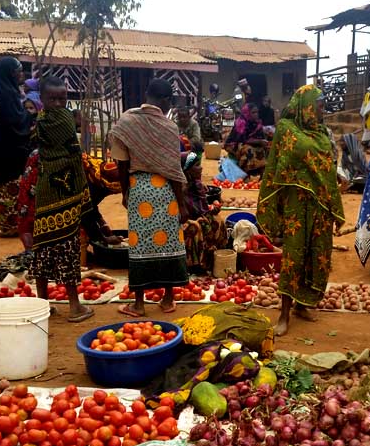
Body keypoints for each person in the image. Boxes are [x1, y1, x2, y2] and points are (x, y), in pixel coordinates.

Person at [257, 85, 345, 337]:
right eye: (319, 103)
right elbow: (278, 163)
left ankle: (302, 305)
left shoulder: (322, 133)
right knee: (293, 256)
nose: (322, 108)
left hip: (320, 204)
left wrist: (334, 199)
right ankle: (284, 313)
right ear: (305, 104)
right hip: (297, 203)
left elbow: (329, 167)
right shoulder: (286, 130)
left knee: (317, 255)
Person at [109, 78, 190, 317]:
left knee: (140, 244)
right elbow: (174, 170)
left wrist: (126, 192)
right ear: (165, 101)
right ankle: (167, 299)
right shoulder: (168, 127)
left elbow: (121, 164)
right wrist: (181, 202)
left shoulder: (126, 122)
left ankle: (139, 304)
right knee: (169, 242)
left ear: (146, 94)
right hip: (165, 191)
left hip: (139, 189)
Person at [23, 77, 98, 322]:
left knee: (43, 245)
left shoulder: (41, 120)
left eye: (62, 99)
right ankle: (75, 307)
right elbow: (73, 145)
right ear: (42, 99)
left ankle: (42, 302)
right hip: (63, 190)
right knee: (66, 247)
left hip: (46, 189)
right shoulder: (63, 119)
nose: (57, 103)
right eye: (52, 99)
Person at [0, 57, 34, 237]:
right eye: (18, 70)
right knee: (12, 187)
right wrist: (30, 117)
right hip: (8, 148)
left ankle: (6, 224)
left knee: (2, 187)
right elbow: (14, 122)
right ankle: (12, 226)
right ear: (9, 74)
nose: (21, 74)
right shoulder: (8, 95)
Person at [180, 152, 228, 273]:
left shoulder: (196, 185)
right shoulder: (180, 188)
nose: (200, 168)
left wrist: (212, 209)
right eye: (196, 165)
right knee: (194, 227)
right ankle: (193, 265)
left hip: (196, 218)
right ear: (187, 170)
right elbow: (183, 212)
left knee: (217, 220)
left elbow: (202, 208)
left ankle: (215, 257)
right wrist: (200, 217)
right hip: (180, 224)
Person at [223, 103, 268, 178]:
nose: (256, 114)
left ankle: (262, 174)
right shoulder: (241, 123)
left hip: (251, 143)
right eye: (253, 112)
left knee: (264, 150)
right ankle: (245, 173)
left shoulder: (257, 123)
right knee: (248, 150)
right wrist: (259, 142)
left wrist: (264, 143)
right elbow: (242, 139)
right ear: (247, 113)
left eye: (257, 112)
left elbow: (261, 137)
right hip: (234, 144)